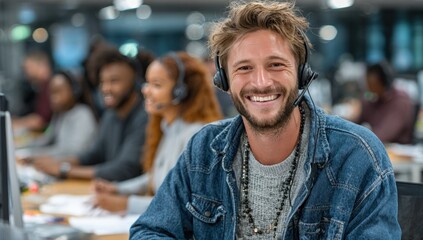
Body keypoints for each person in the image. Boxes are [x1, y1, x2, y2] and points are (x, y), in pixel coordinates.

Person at [130, 1, 401, 239]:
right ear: (224, 81)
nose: (261, 83)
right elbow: (150, 231)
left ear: (301, 73)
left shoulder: (358, 157)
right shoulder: (204, 149)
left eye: (276, 64)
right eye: (244, 68)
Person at [92, 51, 223, 214]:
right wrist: (117, 189)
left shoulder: (196, 135)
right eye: (147, 83)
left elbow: (182, 204)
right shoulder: (168, 128)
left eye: (157, 85)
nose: (146, 90)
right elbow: (157, 178)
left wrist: (126, 204)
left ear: (180, 91)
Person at [30, 48, 149, 181]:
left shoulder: (144, 117)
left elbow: (124, 169)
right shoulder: (111, 115)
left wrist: (64, 170)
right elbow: (94, 154)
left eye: (114, 81)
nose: (105, 88)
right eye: (102, 82)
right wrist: (57, 163)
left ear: (135, 83)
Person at [16, 70, 97, 158]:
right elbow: (47, 139)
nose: (53, 98)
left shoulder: (83, 114)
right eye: (51, 93)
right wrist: (20, 147)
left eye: (57, 92)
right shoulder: (60, 113)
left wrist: (35, 156)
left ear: (74, 91)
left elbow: (72, 151)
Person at [353, 61, 415, 144]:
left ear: (383, 82)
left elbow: (383, 135)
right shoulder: (375, 99)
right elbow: (355, 124)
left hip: (397, 150)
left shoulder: (400, 101)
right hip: (381, 146)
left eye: (372, 84)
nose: (368, 87)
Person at [13, 49, 53, 131]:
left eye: (28, 68)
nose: (25, 72)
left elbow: (40, 121)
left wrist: (18, 123)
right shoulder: (41, 87)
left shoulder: (50, 86)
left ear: (41, 65)